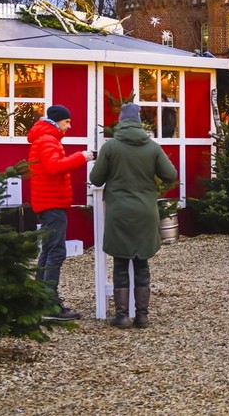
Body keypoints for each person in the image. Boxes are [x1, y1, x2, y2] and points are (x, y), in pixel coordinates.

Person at [90, 102, 178, 328]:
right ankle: (142, 316)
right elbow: (170, 175)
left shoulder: (111, 147)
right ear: (139, 121)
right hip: (145, 211)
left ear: (121, 121)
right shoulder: (152, 147)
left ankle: (122, 316)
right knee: (142, 264)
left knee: (120, 263)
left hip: (119, 212)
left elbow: (96, 179)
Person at [27, 104, 94, 321]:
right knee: (56, 252)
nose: (69, 126)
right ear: (56, 122)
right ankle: (49, 305)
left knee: (47, 251)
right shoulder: (48, 140)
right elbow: (54, 167)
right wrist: (82, 157)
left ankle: (40, 300)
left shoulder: (44, 139)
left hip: (48, 203)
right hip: (52, 203)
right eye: (67, 122)